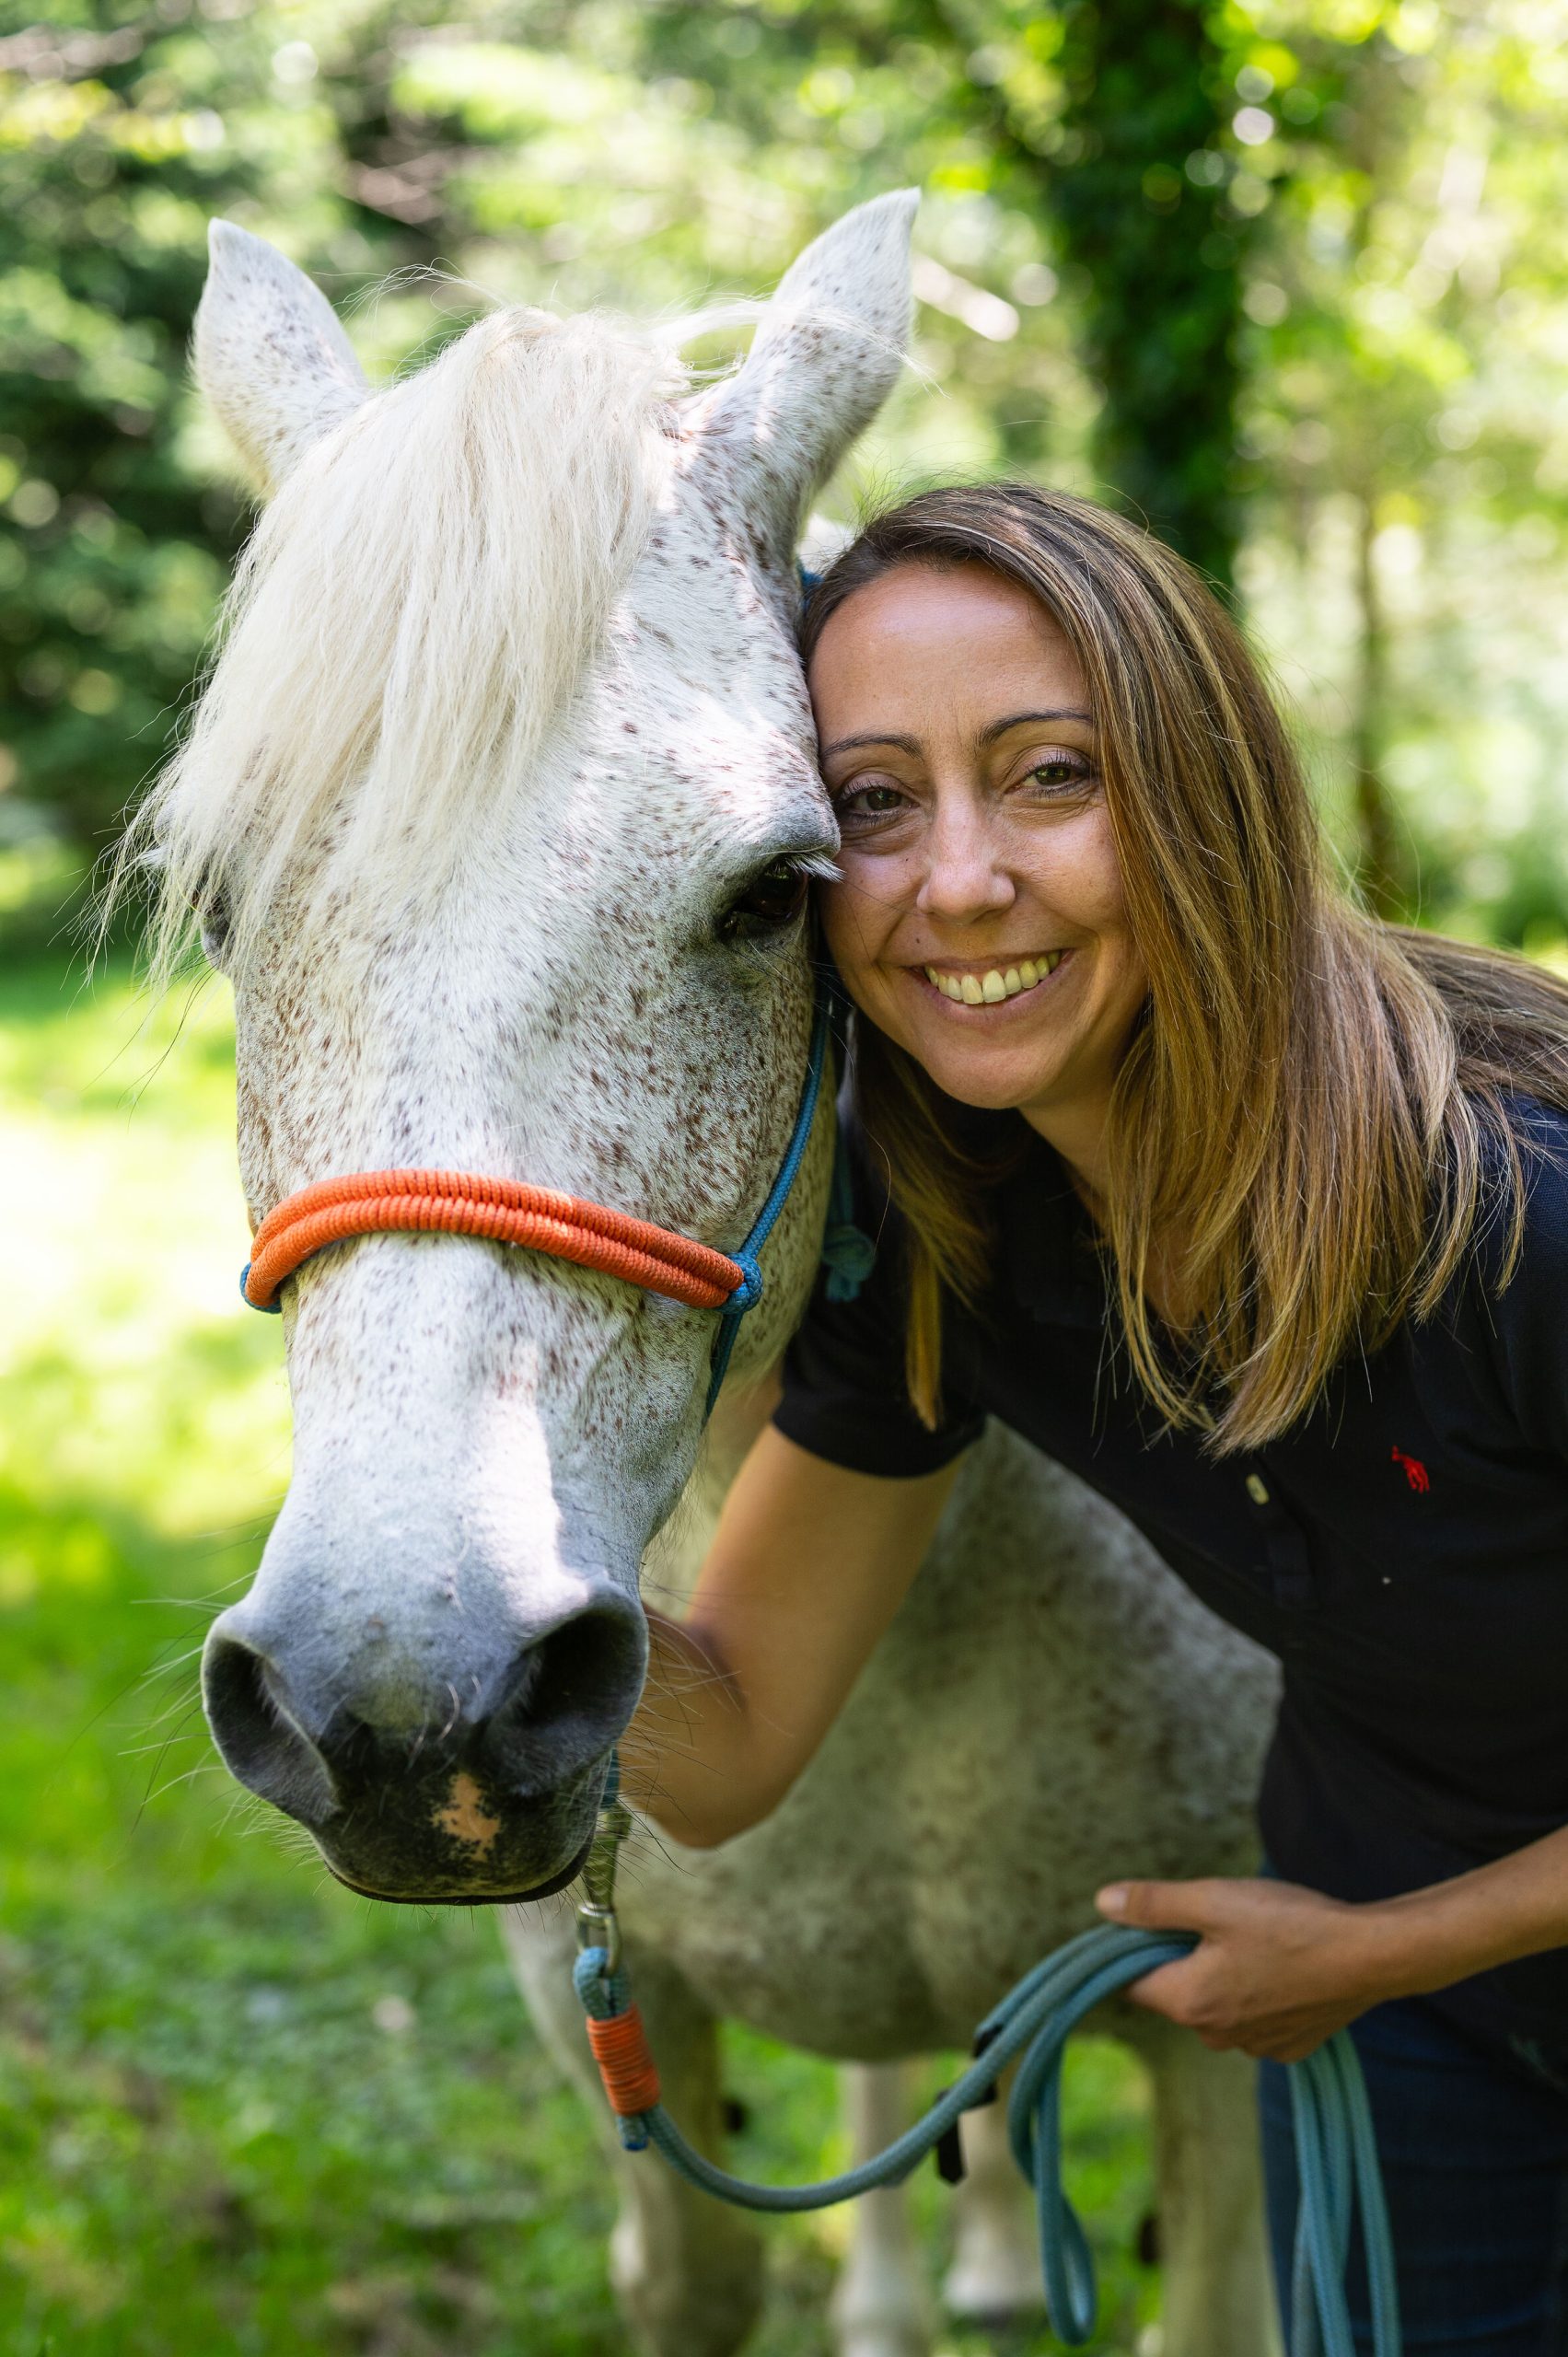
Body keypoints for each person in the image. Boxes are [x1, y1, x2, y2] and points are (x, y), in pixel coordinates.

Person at [622, 482, 1568, 2351]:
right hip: (1423, 2036)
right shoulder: (961, 1247)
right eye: (877, 801)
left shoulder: (1519, 1207)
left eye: (1051, 773)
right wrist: (481, 1542)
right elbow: (722, 1750)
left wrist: (1377, 1951)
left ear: (1203, 796)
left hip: (1392, 1950)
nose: (955, 878)